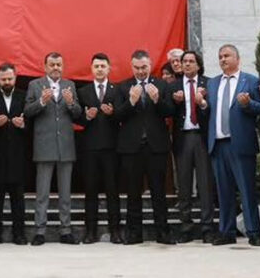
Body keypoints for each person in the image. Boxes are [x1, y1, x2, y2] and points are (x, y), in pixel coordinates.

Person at [205, 44, 260, 247]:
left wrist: (248, 104)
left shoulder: (251, 81)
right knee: (223, 191)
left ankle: (253, 231)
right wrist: (202, 105)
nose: (223, 59)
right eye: (220, 56)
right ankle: (227, 231)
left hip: (240, 143)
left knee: (246, 190)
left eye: (227, 56)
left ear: (237, 59)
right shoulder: (213, 84)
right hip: (218, 143)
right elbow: (208, 113)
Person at [114, 50, 175, 245]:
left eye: (144, 67)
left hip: (156, 147)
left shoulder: (162, 85)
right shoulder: (123, 86)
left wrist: (157, 99)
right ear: (132, 67)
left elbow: (170, 111)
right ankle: (133, 234)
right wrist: (131, 102)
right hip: (131, 148)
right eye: (137, 68)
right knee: (133, 193)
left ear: (150, 66)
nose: (140, 71)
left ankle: (163, 233)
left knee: (158, 192)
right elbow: (117, 116)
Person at [24, 52, 82, 245]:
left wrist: (71, 103)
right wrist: (41, 102)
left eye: (59, 64)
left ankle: (66, 230)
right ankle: (39, 231)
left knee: (65, 193)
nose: (56, 67)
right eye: (52, 64)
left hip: (65, 145)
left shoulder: (70, 85)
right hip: (44, 145)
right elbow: (27, 112)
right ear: (45, 66)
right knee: (42, 193)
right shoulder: (35, 85)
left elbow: (78, 113)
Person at [74, 53, 122, 244]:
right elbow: (77, 117)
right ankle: (90, 231)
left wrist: (113, 114)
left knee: (113, 191)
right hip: (90, 149)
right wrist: (87, 117)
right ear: (91, 69)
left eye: (103, 66)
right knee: (91, 191)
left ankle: (116, 231)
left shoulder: (117, 90)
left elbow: (123, 115)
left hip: (111, 147)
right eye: (96, 66)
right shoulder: (83, 92)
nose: (100, 69)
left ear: (109, 68)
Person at [169, 50, 215, 243]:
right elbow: (165, 110)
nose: (186, 64)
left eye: (190, 61)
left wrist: (202, 103)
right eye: (184, 61)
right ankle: (186, 225)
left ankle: (206, 226)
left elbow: (214, 109)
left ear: (198, 65)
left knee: (205, 184)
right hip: (183, 137)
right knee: (184, 184)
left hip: (202, 137)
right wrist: (174, 101)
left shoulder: (209, 83)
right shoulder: (174, 86)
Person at [0, 63, 28, 245]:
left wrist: (23, 125)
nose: (7, 82)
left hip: (18, 155)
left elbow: (33, 124)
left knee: (18, 199)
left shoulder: (24, 96)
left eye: (10, 79)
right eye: (3, 79)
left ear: (15, 77)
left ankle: (19, 234)